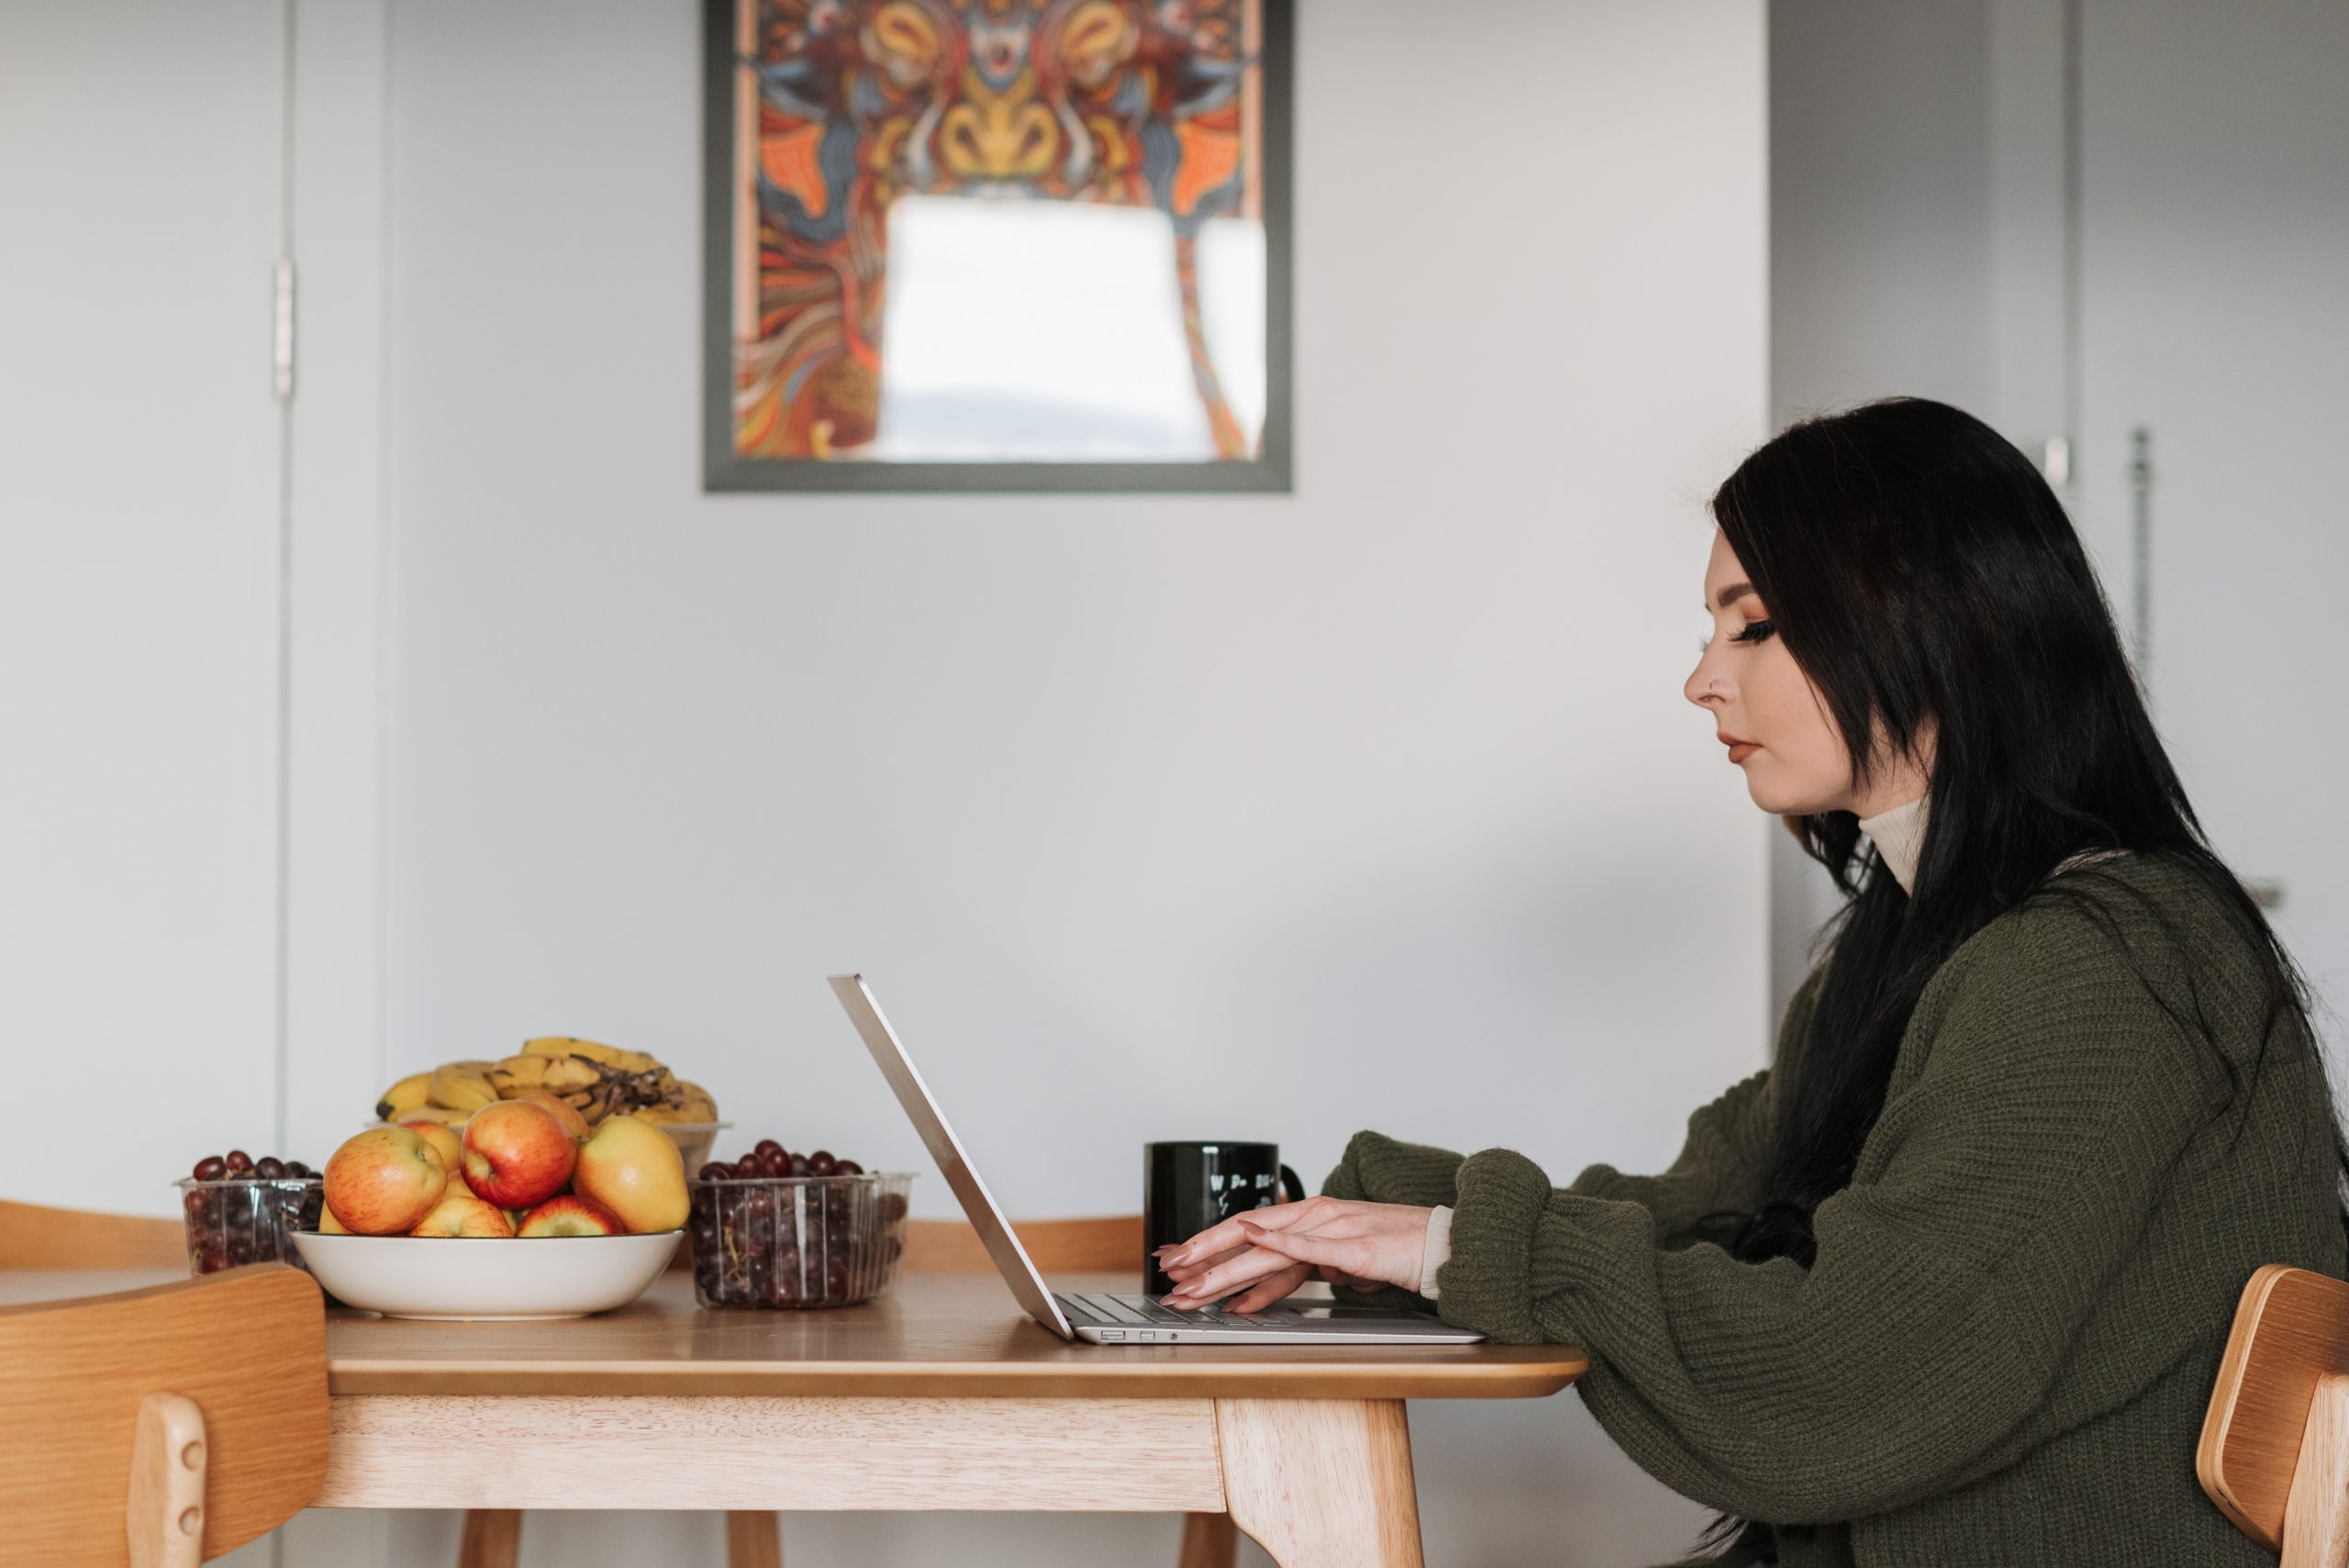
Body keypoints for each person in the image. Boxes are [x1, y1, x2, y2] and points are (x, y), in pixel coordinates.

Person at [1157, 398, 2346, 1567]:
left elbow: (1852, 1370)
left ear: (1933, 621)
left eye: (1754, 624)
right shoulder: (1924, 951)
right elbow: (1705, 1206)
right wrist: (1381, 1224)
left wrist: (1446, 1245)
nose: (1702, 681)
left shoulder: (2104, 962)